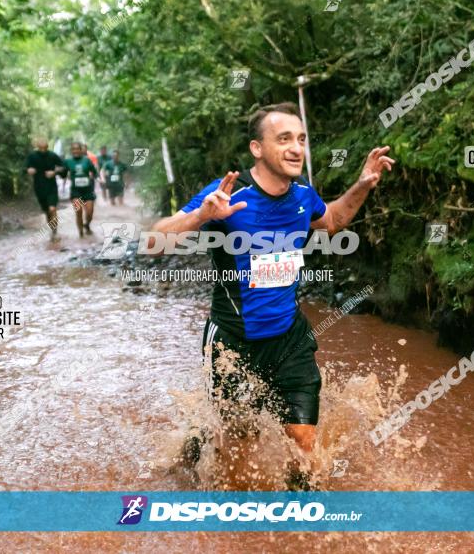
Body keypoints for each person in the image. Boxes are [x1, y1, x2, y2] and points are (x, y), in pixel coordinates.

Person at [149, 102, 395, 461]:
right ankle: (196, 448)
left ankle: (299, 510)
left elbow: (334, 220)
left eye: (301, 139)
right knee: (237, 448)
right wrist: (203, 214)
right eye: (284, 139)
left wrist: (362, 185)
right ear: (257, 148)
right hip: (233, 341)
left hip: (289, 339)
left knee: (303, 442)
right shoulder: (227, 195)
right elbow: (154, 242)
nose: (296, 148)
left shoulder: (303, 196)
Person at [25, 138, 64, 241]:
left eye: (45, 148)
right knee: (47, 211)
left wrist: (54, 172)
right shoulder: (32, 156)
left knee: (53, 209)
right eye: (41, 148)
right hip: (39, 188)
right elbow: (25, 168)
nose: (43, 150)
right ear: (37, 147)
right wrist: (29, 170)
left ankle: (55, 232)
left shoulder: (52, 155)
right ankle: (52, 229)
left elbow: (63, 167)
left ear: (47, 147)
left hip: (51, 186)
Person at [62, 142, 98, 237]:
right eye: (73, 149)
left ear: (81, 150)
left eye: (77, 149)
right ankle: (81, 234)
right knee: (78, 211)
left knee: (89, 213)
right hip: (76, 191)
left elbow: (94, 172)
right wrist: (58, 171)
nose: (76, 151)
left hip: (87, 190)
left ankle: (87, 225)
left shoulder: (87, 160)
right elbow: (63, 174)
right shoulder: (68, 161)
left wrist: (93, 176)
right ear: (71, 151)